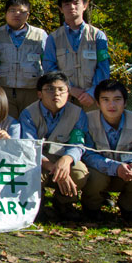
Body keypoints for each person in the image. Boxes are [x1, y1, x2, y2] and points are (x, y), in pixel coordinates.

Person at [19, 71, 89, 221]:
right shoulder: (28, 113)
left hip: (63, 157)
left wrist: (67, 160)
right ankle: (37, 205)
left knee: (80, 173)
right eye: (49, 89)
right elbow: (29, 147)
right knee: (30, 173)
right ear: (39, 94)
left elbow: (78, 143)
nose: (56, 94)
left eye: (61, 89)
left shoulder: (78, 114)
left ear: (68, 93)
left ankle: (64, 203)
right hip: (39, 160)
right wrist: (52, 166)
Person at [82, 79, 132, 223]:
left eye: (117, 99)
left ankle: (128, 206)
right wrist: (114, 167)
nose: (111, 105)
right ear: (97, 103)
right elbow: (87, 153)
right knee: (93, 178)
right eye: (105, 100)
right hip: (99, 171)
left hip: (125, 173)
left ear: (125, 103)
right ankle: (91, 207)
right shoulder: (87, 120)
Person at [42, 0, 110, 109]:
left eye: (76, 3)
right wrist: (70, 88)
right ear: (61, 9)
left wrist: (92, 92)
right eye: (67, 4)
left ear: (85, 5)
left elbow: (103, 67)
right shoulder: (53, 38)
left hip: (93, 99)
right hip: (64, 99)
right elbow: (49, 68)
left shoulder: (98, 36)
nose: (72, 7)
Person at [0, 0, 47, 120]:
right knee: (7, 127)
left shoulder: (40, 35)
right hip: (4, 90)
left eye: (22, 11)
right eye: (12, 10)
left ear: (28, 15)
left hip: (32, 90)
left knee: (32, 124)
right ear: (5, 13)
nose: (17, 14)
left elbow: (48, 62)